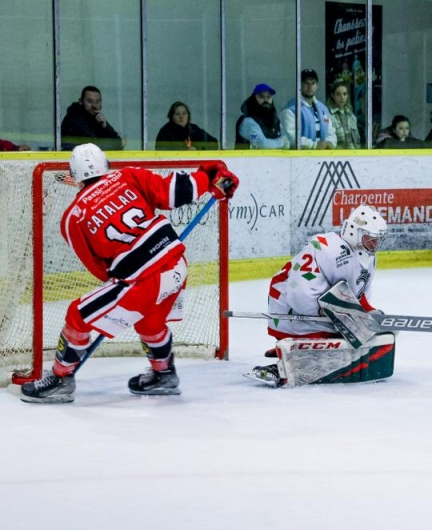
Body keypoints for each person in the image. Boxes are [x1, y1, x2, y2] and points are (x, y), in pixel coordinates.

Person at [20, 143, 239, 403]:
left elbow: (98, 266)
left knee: (77, 315)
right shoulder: (129, 175)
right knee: (150, 322)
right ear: (106, 164)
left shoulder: (72, 217)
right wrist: (209, 176)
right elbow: (174, 192)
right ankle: (164, 374)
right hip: (176, 265)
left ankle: (60, 379)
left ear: (74, 175)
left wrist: (122, 287)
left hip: (141, 281)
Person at [250, 205, 393, 388]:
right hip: (291, 311)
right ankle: (294, 353)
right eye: (370, 238)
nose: (374, 244)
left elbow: (358, 291)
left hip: (323, 311)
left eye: (377, 239)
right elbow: (298, 292)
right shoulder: (325, 248)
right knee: (352, 337)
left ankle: (306, 349)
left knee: (365, 333)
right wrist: (338, 316)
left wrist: (366, 313)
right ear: (353, 232)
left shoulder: (368, 257)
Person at [280, 69, 337, 150]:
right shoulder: (290, 109)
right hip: (301, 157)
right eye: (306, 83)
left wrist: (330, 142)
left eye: (313, 83)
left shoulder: (323, 109)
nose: (310, 87)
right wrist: (313, 145)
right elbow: (290, 137)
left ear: (317, 85)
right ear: (299, 85)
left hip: (323, 155)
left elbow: (330, 131)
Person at [60, 86, 124, 151]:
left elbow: (118, 144)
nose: (94, 105)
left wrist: (105, 126)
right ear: (81, 101)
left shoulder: (97, 118)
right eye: (89, 101)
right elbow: (93, 144)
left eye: (97, 102)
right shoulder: (74, 118)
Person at [235, 83, 288, 149]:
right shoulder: (248, 121)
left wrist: (280, 143)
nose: (266, 100)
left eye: (268, 97)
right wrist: (281, 142)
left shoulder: (275, 120)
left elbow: (287, 143)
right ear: (254, 100)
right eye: (261, 97)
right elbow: (263, 145)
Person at [327, 78, 361, 149]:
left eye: (345, 94)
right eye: (338, 94)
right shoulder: (328, 116)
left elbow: (357, 142)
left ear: (348, 95)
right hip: (337, 154)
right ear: (333, 95)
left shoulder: (352, 116)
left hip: (354, 153)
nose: (342, 97)